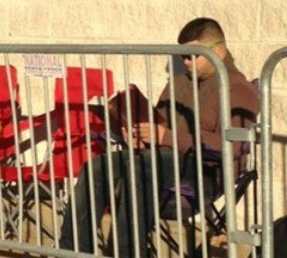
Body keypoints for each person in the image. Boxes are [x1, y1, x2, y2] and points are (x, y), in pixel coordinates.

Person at [59, 17, 260, 256]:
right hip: (160, 161)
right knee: (95, 167)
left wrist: (167, 137)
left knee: (141, 169)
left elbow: (231, 149)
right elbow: (159, 124)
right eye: (182, 56)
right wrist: (139, 136)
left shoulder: (238, 89)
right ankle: (71, 252)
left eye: (192, 56)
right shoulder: (178, 83)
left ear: (217, 51)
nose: (185, 62)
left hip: (205, 172)